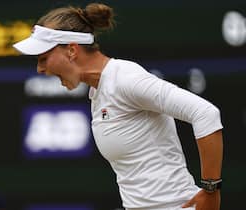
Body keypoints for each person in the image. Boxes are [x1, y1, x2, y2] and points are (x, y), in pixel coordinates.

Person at [13, 3, 223, 210]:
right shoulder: (98, 92)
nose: (40, 69)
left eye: (43, 59)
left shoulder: (125, 78)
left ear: (71, 50)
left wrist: (210, 190)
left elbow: (205, 114)